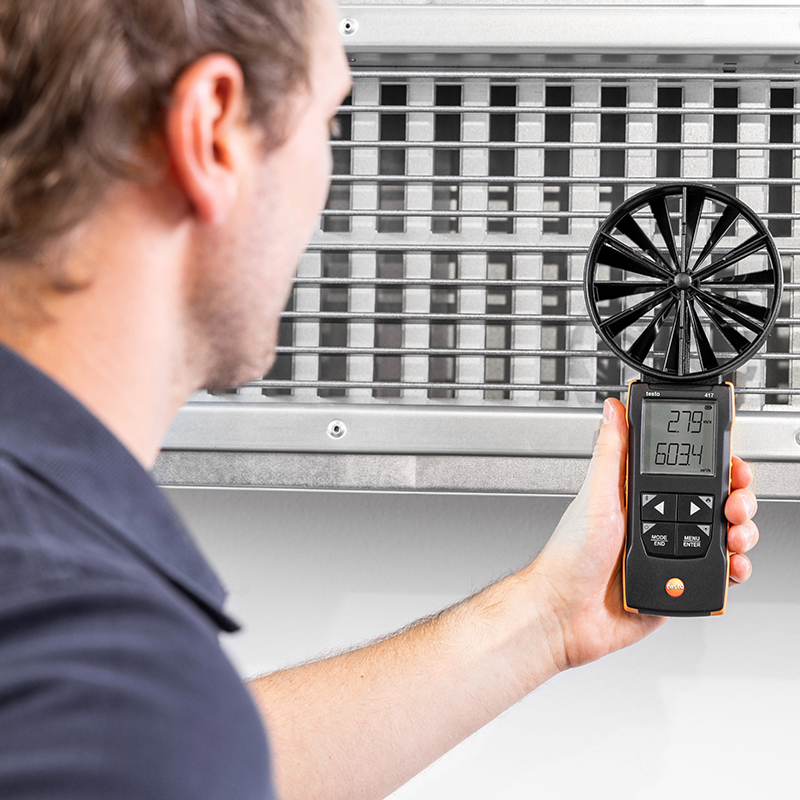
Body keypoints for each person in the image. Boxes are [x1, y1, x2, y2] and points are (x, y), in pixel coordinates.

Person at [0, 0, 759, 798]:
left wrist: (546, 618)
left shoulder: (73, 668)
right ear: (212, 132)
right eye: (330, 119)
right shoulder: (87, 667)